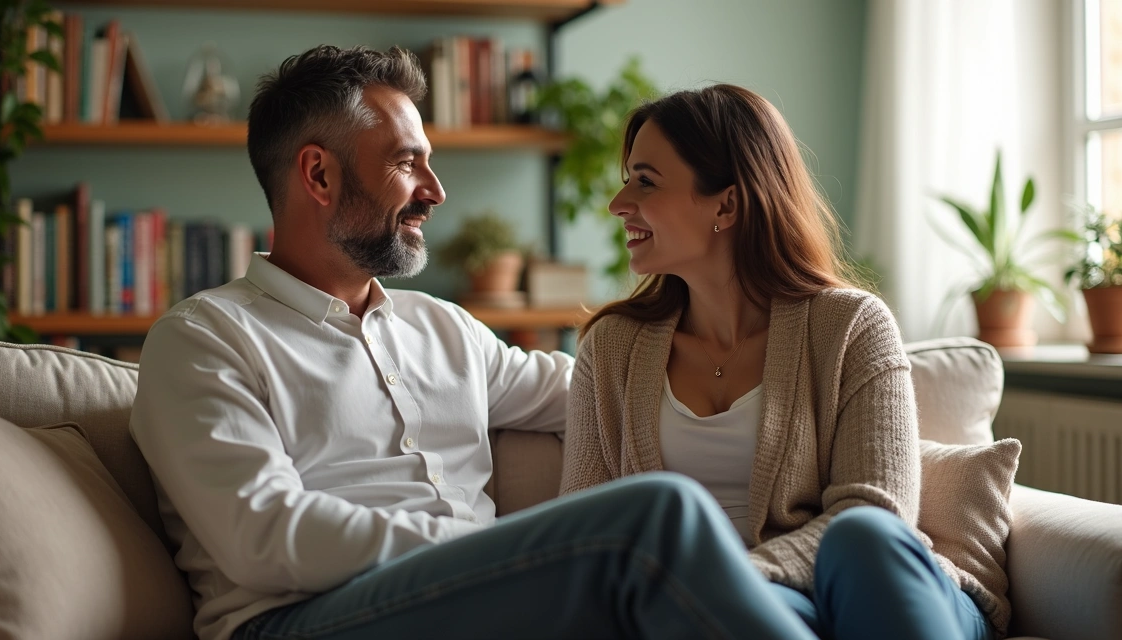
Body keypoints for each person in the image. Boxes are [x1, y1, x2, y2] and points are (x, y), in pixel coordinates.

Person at [130, 46, 821, 640]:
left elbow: (613, 388)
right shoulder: (204, 340)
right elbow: (263, 537)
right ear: (318, 175)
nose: (436, 191)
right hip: (301, 619)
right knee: (659, 512)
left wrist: (829, 405)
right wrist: (500, 550)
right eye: (408, 163)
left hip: (481, 604)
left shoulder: (441, 327)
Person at [561, 82, 1003, 640]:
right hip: (741, 611)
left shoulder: (851, 325)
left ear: (726, 202)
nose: (619, 203)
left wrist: (723, 576)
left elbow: (877, 515)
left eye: (645, 181)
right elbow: (581, 532)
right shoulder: (611, 348)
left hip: (878, 590)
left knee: (860, 537)